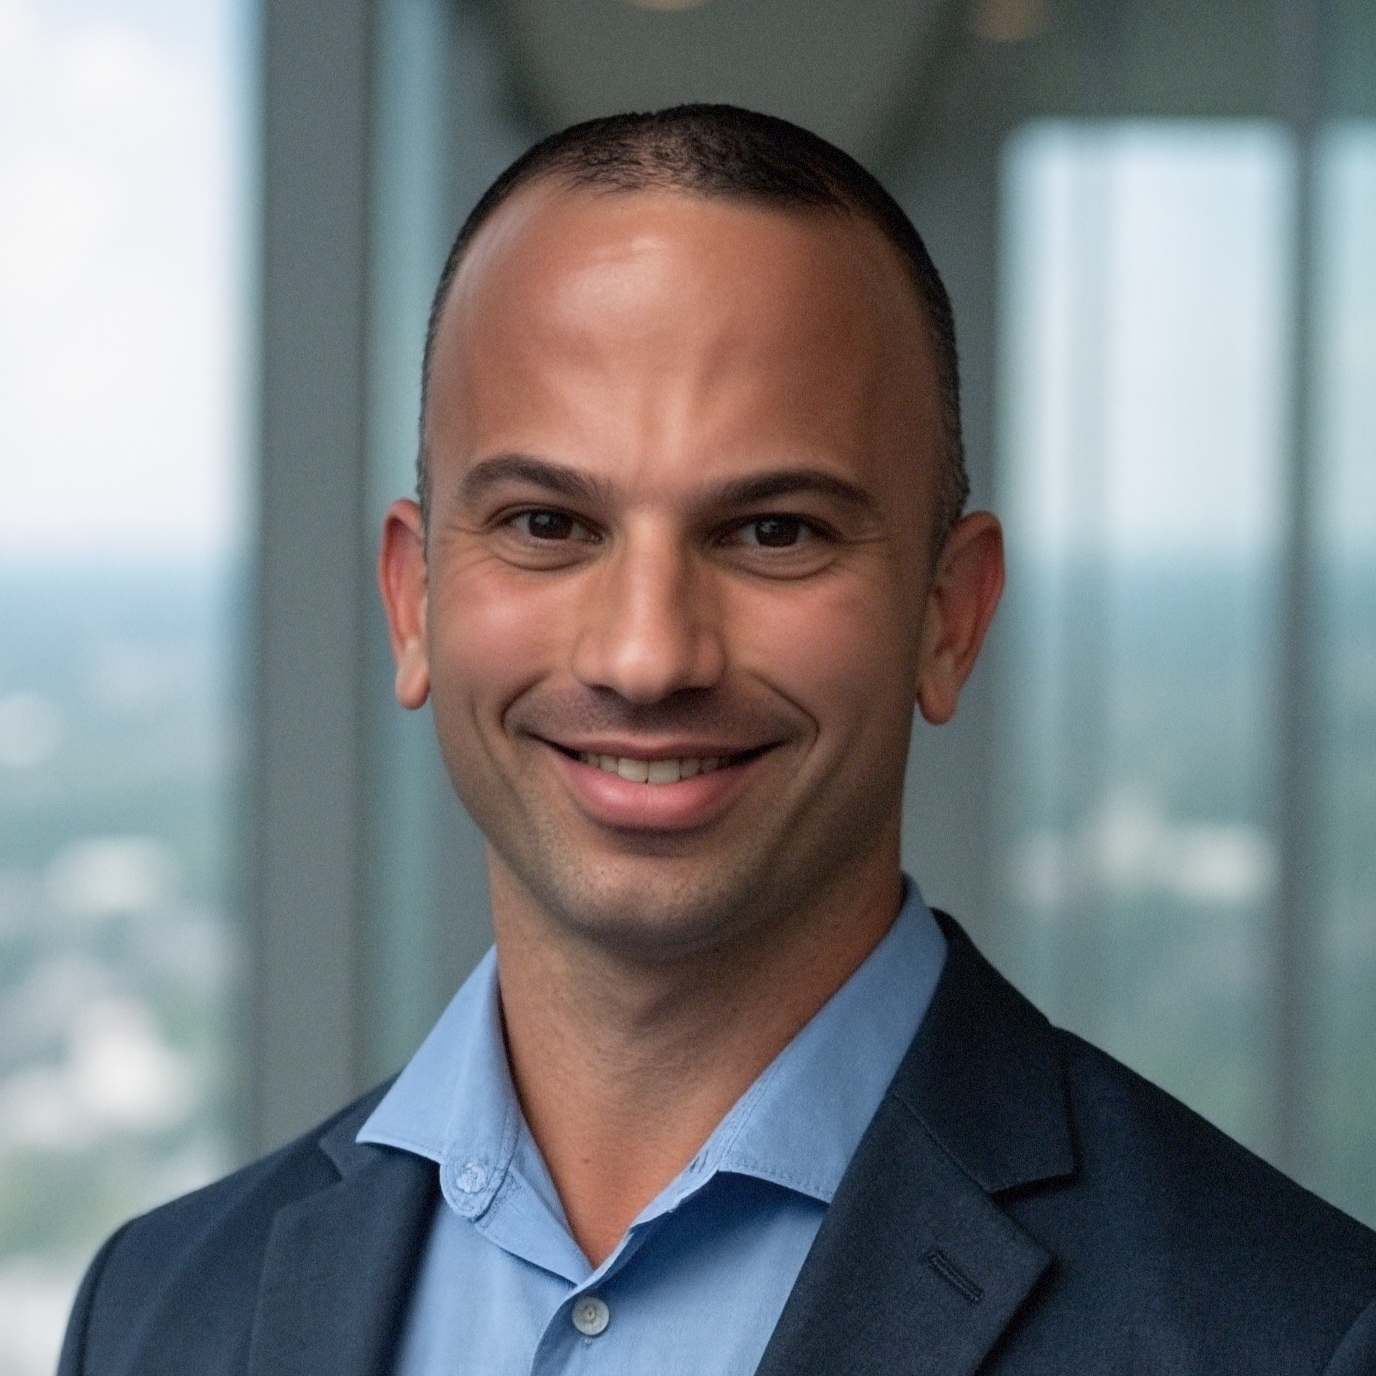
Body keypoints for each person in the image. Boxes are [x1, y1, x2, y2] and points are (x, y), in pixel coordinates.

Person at [59, 105, 1376, 1376]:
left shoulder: (1292, 1335)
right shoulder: (159, 1310)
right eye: (546, 524)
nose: (647, 657)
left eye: (773, 531)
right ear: (414, 602)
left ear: (947, 617)